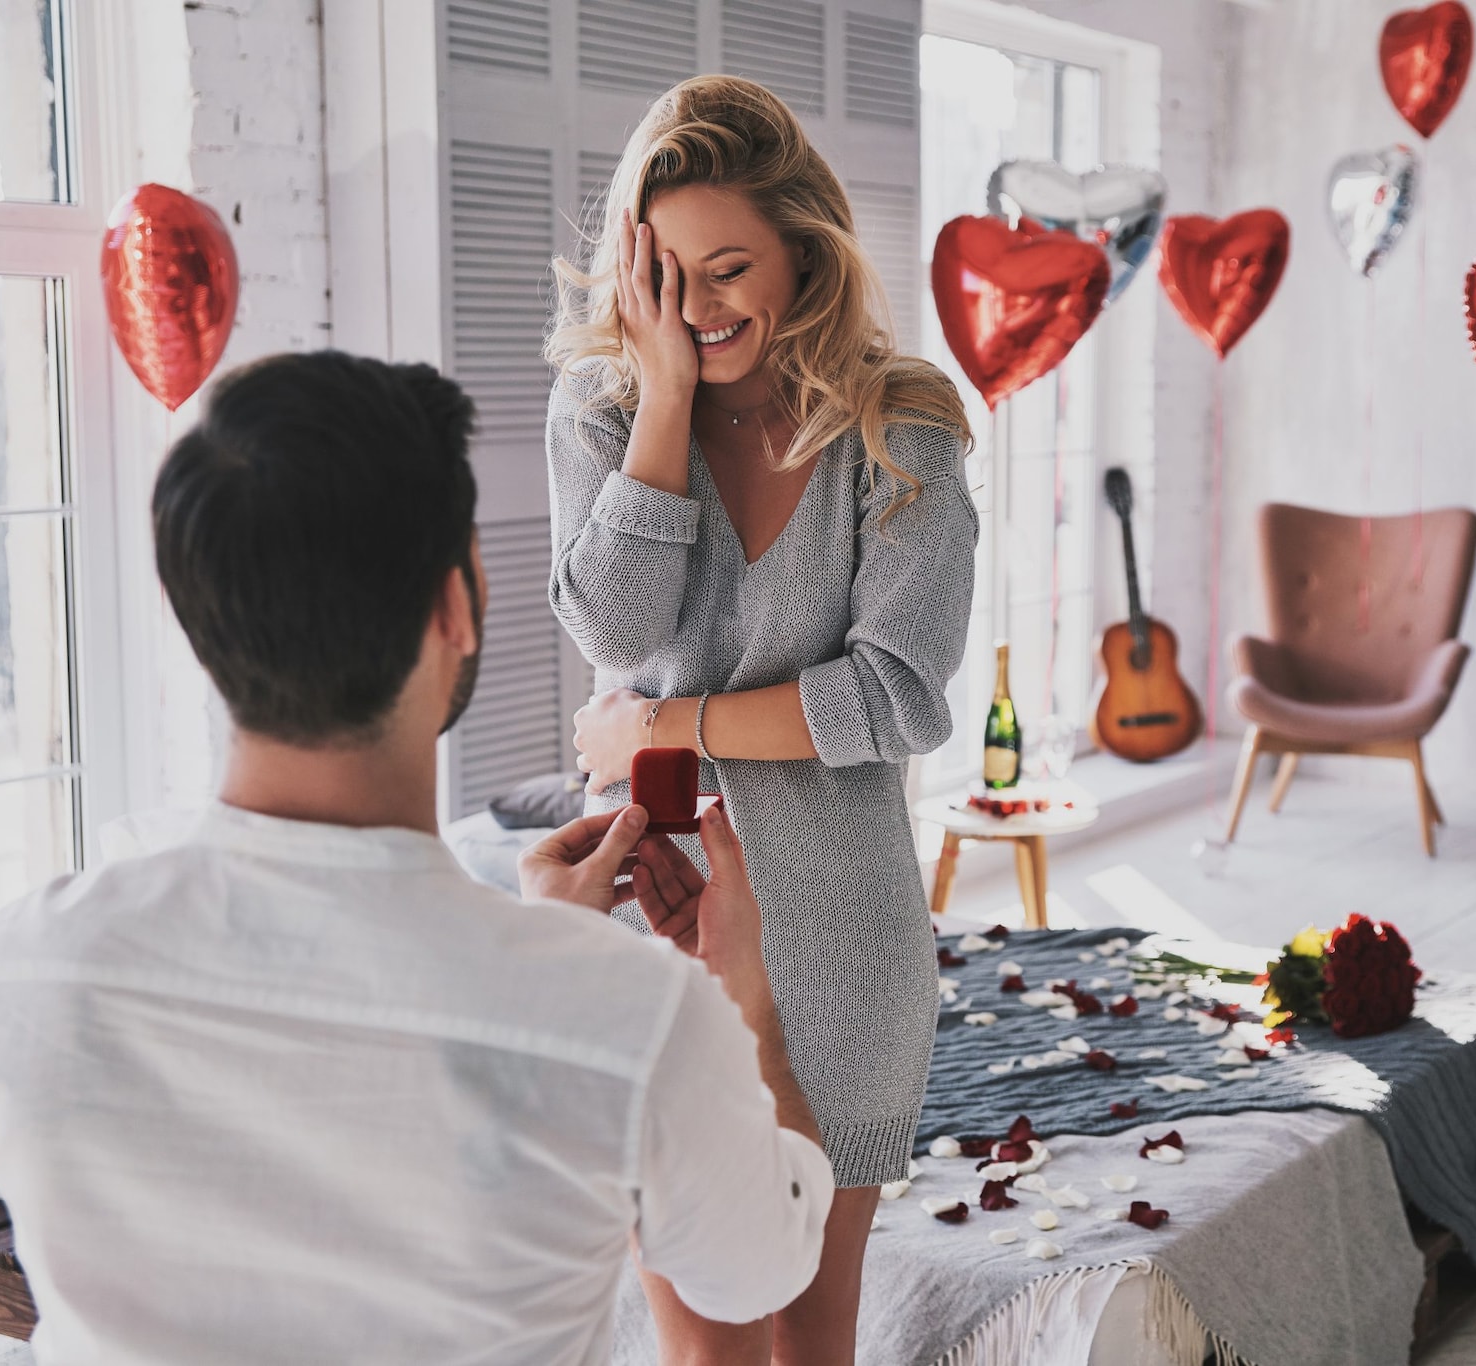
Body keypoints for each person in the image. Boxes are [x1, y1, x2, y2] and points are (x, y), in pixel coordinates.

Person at [0, 352, 832, 1365]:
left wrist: (552, 950)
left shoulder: (25, 971)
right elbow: (759, 1267)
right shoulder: (632, 1019)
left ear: (199, 618)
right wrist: (747, 1016)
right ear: (455, 609)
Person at [545, 75, 976, 1361]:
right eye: (661, 275)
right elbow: (612, 630)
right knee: (705, 1345)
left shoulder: (902, 428)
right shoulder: (605, 409)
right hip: (657, 930)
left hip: (842, 949)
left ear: (806, 244)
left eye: (726, 267)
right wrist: (666, 403)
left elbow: (895, 696)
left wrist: (671, 728)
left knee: (808, 1335)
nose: (695, 306)